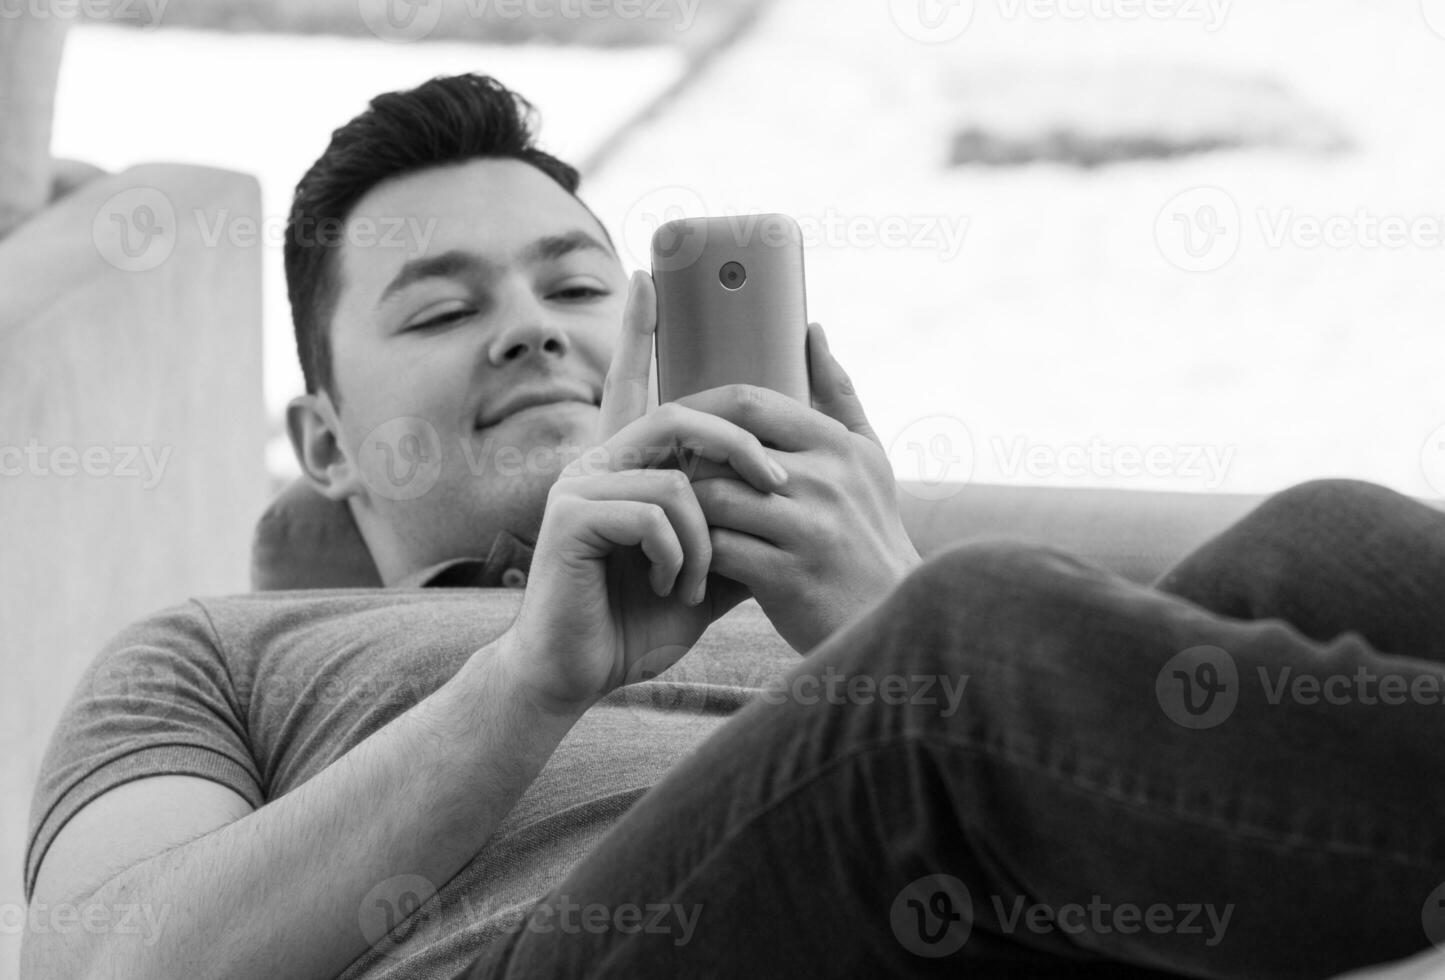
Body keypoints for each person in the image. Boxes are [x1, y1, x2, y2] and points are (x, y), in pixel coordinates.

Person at [19, 73, 1445, 980]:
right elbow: (103, 965)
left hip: (968, 909)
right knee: (961, 645)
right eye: (445, 308)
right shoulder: (212, 652)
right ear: (325, 441)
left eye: (575, 291)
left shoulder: (845, 569)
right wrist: (529, 677)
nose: (527, 332)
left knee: (1333, 541)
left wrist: (875, 608)